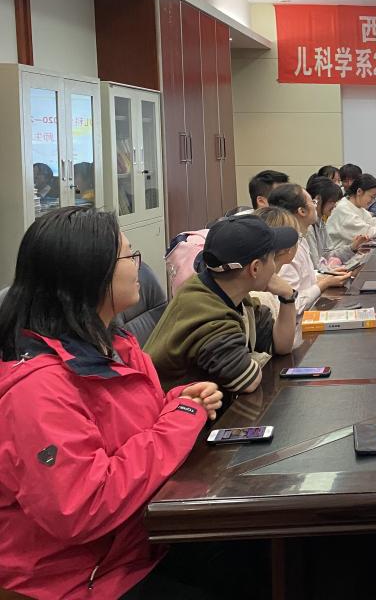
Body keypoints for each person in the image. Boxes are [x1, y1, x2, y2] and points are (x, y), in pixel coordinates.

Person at [0, 207, 223, 599]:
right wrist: (184, 415)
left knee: (278, 554)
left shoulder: (116, 344)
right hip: (79, 579)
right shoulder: (37, 389)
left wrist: (179, 399)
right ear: (88, 272)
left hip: (140, 543)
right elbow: (81, 506)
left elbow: (143, 421)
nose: (139, 266)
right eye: (128, 255)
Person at [145, 214, 299, 394]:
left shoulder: (229, 293)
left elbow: (281, 345)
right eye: (273, 258)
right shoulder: (207, 315)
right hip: (171, 408)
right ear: (255, 268)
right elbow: (247, 381)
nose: (275, 267)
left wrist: (287, 297)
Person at [267, 185, 352, 324]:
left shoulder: (301, 239)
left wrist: (327, 276)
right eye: (312, 201)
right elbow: (293, 304)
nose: (315, 205)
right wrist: (325, 283)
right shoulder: (287, 250)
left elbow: (305, 279)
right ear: (302, 211)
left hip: (307, 316)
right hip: (297, 325)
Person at [304, 174, 344, 261]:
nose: (335, 205)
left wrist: (352, 248)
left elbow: (328, 254)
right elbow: (315, 264)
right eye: (332, 201)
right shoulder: (308, 227)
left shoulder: (320, 222)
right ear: (318, 199)